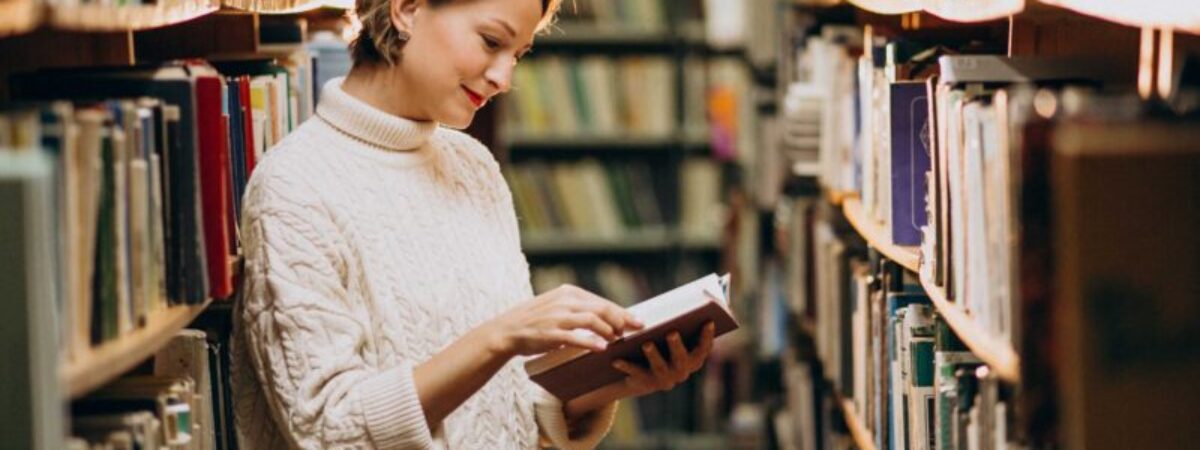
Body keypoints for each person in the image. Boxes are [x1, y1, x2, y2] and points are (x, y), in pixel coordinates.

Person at [230, 0, 716, 448]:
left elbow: (504, 407)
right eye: (490, 42)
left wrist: (610, 380)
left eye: (519, 54)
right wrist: (499, 337)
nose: (505, 78)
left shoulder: (472, 167)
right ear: (407, 9)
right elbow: (329, 432)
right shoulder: (293, 187)